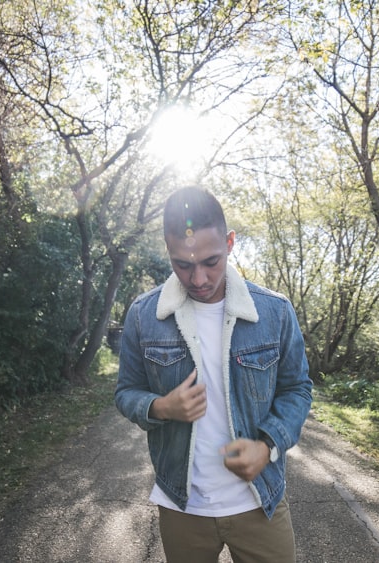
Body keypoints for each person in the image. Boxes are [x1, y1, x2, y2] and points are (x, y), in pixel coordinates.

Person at [115, 186, 313, 563]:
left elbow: (298, 389)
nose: (200, 278)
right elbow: (126, 392)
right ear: (168, 250)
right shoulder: (143, 314)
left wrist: (267, 445)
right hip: (182, 507)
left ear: (230, 242)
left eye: (211, 261)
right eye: (183, 265)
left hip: (259, 502)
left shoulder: (275, 311)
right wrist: (160, 407)